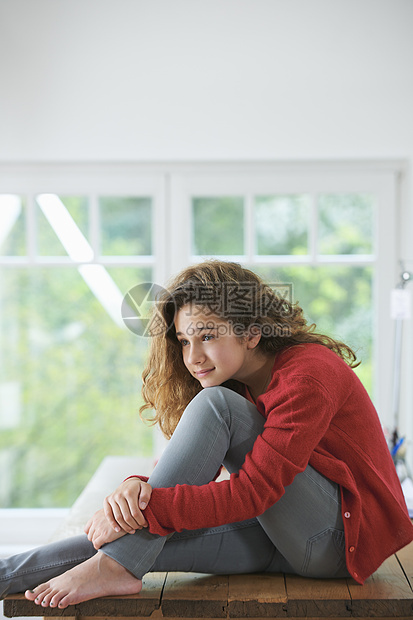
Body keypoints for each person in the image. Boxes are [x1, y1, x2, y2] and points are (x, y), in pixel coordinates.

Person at [1, 260, 412, 609]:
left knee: (212, 410)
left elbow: (253, 492)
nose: (193, 356)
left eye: (207, 336)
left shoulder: (308, 375)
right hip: (283, 534)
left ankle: (118, 566)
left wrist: (149, 507)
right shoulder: (240, 381)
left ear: (252, 333)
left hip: (336, 542)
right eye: (184, 341)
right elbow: (189, 471)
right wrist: (135, 491)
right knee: (126, 540)